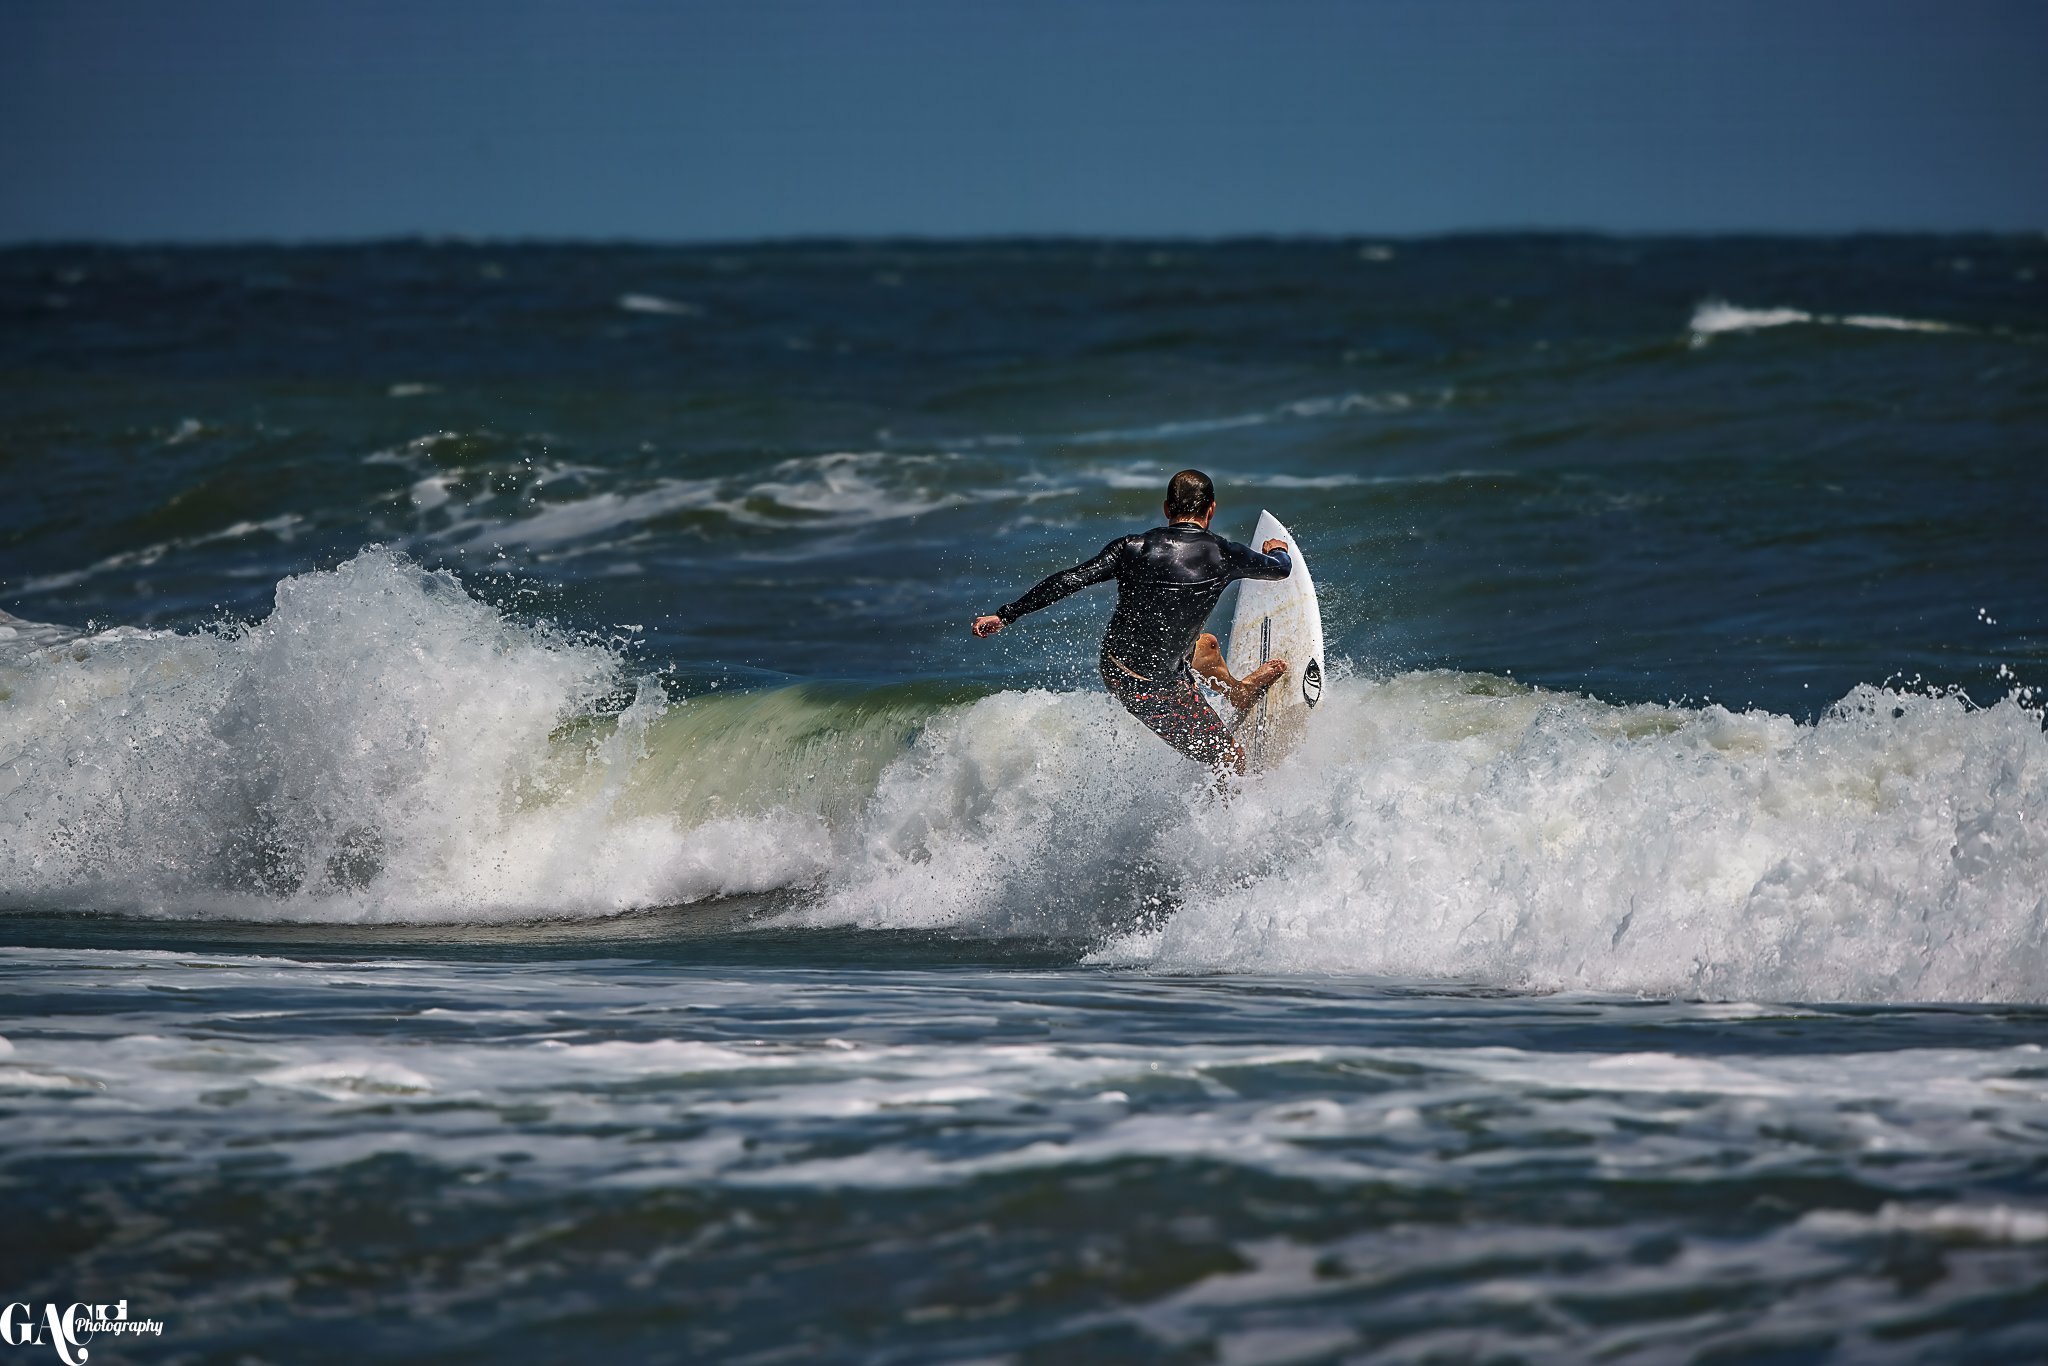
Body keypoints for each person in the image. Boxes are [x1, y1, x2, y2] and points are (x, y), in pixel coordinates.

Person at [972, 469, 1292, 773]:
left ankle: (1237, 692)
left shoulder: (1131, 548)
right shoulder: (1225, 554)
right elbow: (1281, 569)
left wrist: (1005, 614)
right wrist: (1279, 551)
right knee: (1230, 759)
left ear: (1167, 508)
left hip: (1116, 667)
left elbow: (1069, 580)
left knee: (1206, 646)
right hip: (1150, 687)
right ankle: (1229, 826)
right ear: (1211, 510)